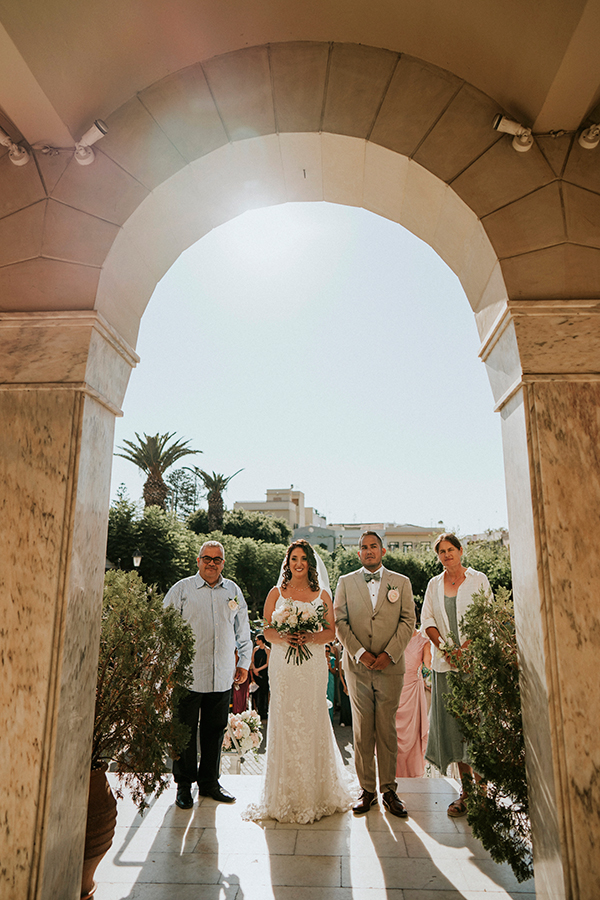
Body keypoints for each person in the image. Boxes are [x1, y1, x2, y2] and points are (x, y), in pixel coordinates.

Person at [244, 539, 356, 823]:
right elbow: (266, 630)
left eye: (303, 558)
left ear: (310, 563)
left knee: (312, 717)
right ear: (288, 561)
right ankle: (282, 795)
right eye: (294, 558)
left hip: (312, 665)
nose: (298, 563)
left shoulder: (322, 595)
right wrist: (284, 636)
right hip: (283, 664)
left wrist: (308, 637)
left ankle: (317, 793)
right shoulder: (276, 592)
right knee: (284, 719)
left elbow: (330, 633)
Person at [163, 540, 252, 809]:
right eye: (207, 558)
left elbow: (243, 629)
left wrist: (244, 663)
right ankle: (183, 786)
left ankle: (210, 783)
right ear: (198, 560)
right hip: (188, 675)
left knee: (214, 732)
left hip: (222, 674)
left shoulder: (232, 590)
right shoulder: (182, 590)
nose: (212, 563)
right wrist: (167, 666)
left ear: (223, 563)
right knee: (185, 733)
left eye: (217, 559)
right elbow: (164, 628)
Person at [334, 531, 415, 818]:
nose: (368, 551)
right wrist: (360, 653)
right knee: (361, 731)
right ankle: (366, 790)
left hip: (390, 668)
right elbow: (339, 622)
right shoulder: (345, 582)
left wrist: (389, 654)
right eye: (364, 547)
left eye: (373, 547)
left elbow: (408, 621)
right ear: (358, 554)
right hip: (357, 668)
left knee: (387, 729)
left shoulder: (401, 583)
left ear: (383, 551)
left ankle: (389, 790)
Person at [420, 532, 491, 816]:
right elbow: (427, 619)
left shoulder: (478, 579)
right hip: (445, 667)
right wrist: (446, 648)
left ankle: (484, 795)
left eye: (451, 549)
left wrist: (465, 650)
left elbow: (485, 615)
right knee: (455, 730)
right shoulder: (434, 584)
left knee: (477, 728)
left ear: (461, 551)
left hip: (473, 665)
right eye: (442, 552)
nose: (447, 555)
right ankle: (467, 794)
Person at [394, 620, 431, 777]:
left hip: (412, 692)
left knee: (413, 732)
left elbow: (428, 667)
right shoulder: (394, 637)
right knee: (395, 731)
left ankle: (410, 771)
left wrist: (420, 675)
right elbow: (428, 668)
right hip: (395, 690)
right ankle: (398, 771)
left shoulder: (423, 640)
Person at [250, 634, 270, 720]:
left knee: (263, 693)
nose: (256, 641)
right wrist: (254, 669)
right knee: (255, 693)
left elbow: (267, 663)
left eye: (257, 640)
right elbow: (252, 660)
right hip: (255, 673)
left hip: (263, 673)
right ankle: (255, 710)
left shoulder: (267, 650)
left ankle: (263, 711)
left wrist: (258, 670)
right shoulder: (255, 649)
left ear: (261, 640)